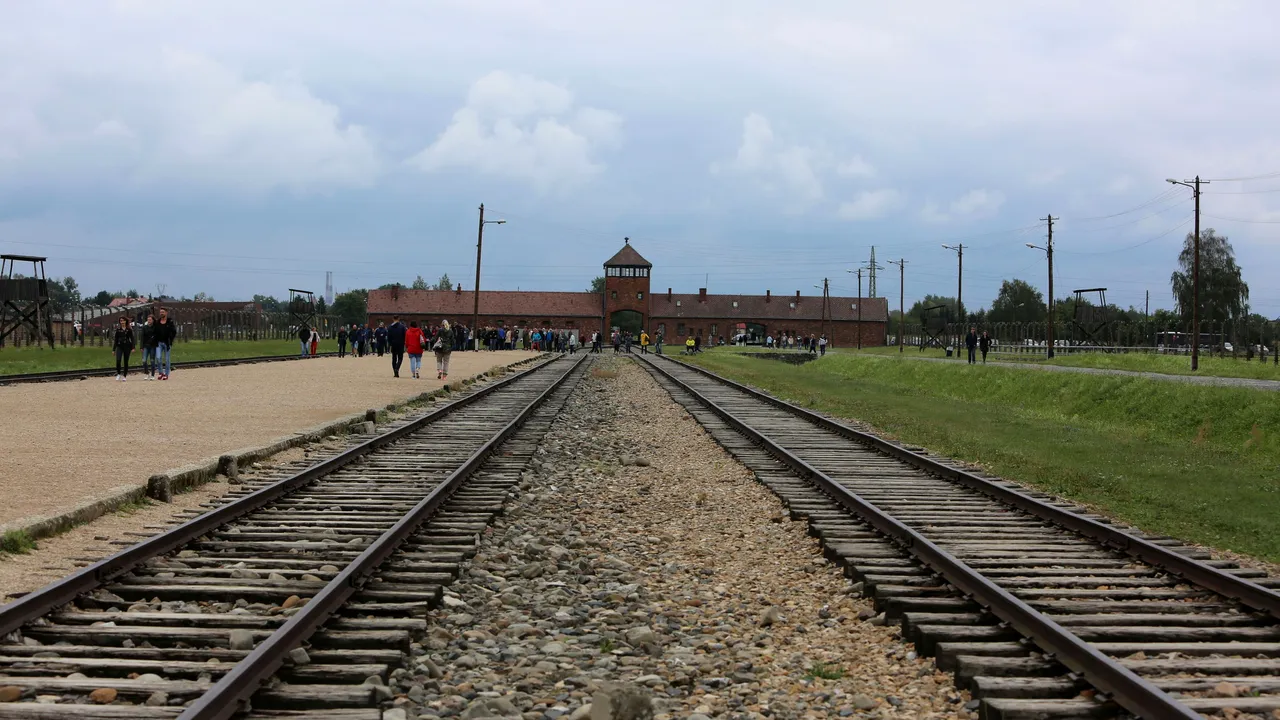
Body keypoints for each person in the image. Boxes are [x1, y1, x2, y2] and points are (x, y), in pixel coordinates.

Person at [154, 307, 176, 380]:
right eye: (160, 312)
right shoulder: (157, 322)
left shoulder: (170, 322)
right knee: (158, 358)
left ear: (166, 313)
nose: (161, 313)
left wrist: (171, 340)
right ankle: (161, 373)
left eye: (163, 312)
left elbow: (174, 331)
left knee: (167, 359)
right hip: (159, 343)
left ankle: (166, 374)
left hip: (167, 343)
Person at [113, 317, 135, 382]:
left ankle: (125, 376)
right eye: (121, 321)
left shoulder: (129, 329)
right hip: (119, 346)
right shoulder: (118, 330)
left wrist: (133, 347)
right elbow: (116, 340)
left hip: (127, 346)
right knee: (118, 360)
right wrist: (113, 349)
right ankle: (118, 373)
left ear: (125, 321)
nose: (122, 322)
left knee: (126, 361)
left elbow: (132, 339)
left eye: (123, 320)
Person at [140, 315, 158, 380]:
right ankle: (147, 373)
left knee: (152, 360)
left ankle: (152, 375)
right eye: (148, 320)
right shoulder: (144, 327)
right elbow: (142, 337)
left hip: (153, 346)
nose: (149, 321)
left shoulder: (155, 328)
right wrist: (141, 347)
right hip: (146, 346)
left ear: (153, 320)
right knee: (144, 360)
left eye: (150, 320)